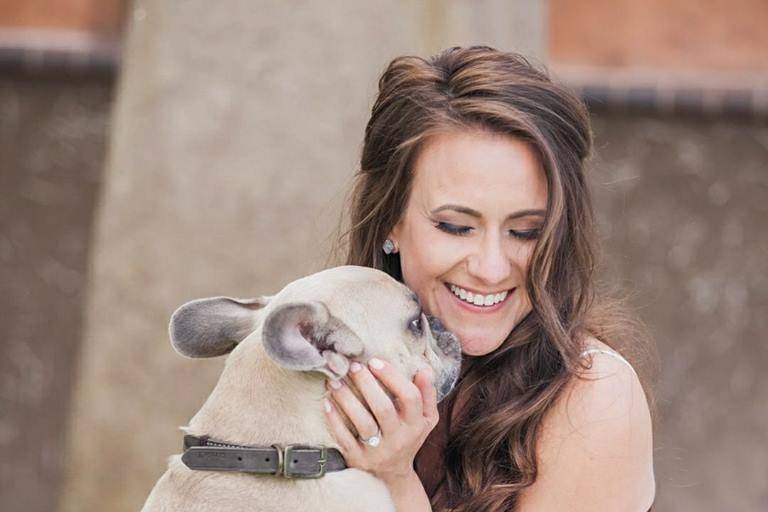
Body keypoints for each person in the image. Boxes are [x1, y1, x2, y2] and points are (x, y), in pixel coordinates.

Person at [322, 45, 656, 512]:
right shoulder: (337, 363)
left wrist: (395, 480)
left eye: (526, 231)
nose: (492, 268)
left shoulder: (593, 398)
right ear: (389, 221)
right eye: (456, 227)